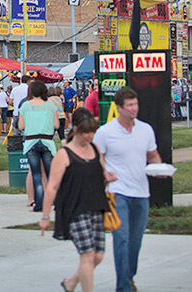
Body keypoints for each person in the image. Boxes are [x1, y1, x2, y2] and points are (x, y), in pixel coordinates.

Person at [39, 108, 117, 292]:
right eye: (86, 132)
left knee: (97, 256)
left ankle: (71, 282)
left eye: (92, 132)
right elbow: (52, 186)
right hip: (75, 209)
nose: (89, 136)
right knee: (87, 256)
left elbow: (102, 174)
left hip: (96, 206)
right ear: (76, 129)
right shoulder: (64, 154)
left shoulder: (95, 149)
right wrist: (45, 216)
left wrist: (109, 177)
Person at [93, 86, 163, 292]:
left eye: (136, 104)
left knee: (135, 241)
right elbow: (98, 158)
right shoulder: (106, 132)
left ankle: (129, 277)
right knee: (121, 237)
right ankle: (123, 287)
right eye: (130, 106)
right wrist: (104, 173)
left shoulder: (145, 129)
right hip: (117, 192)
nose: (134, 109)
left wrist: (159, 168)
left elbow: (153, 155)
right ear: (120, 108)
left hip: (141, 192)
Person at [19, 80, 59, 212]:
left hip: (31, 141)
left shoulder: (25, 106)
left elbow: (21, 126)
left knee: (36, 174)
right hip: (47, 140)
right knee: (49, 173)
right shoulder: (50, 106)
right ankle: (55, 201)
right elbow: (57, 125)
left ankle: (39, 203)